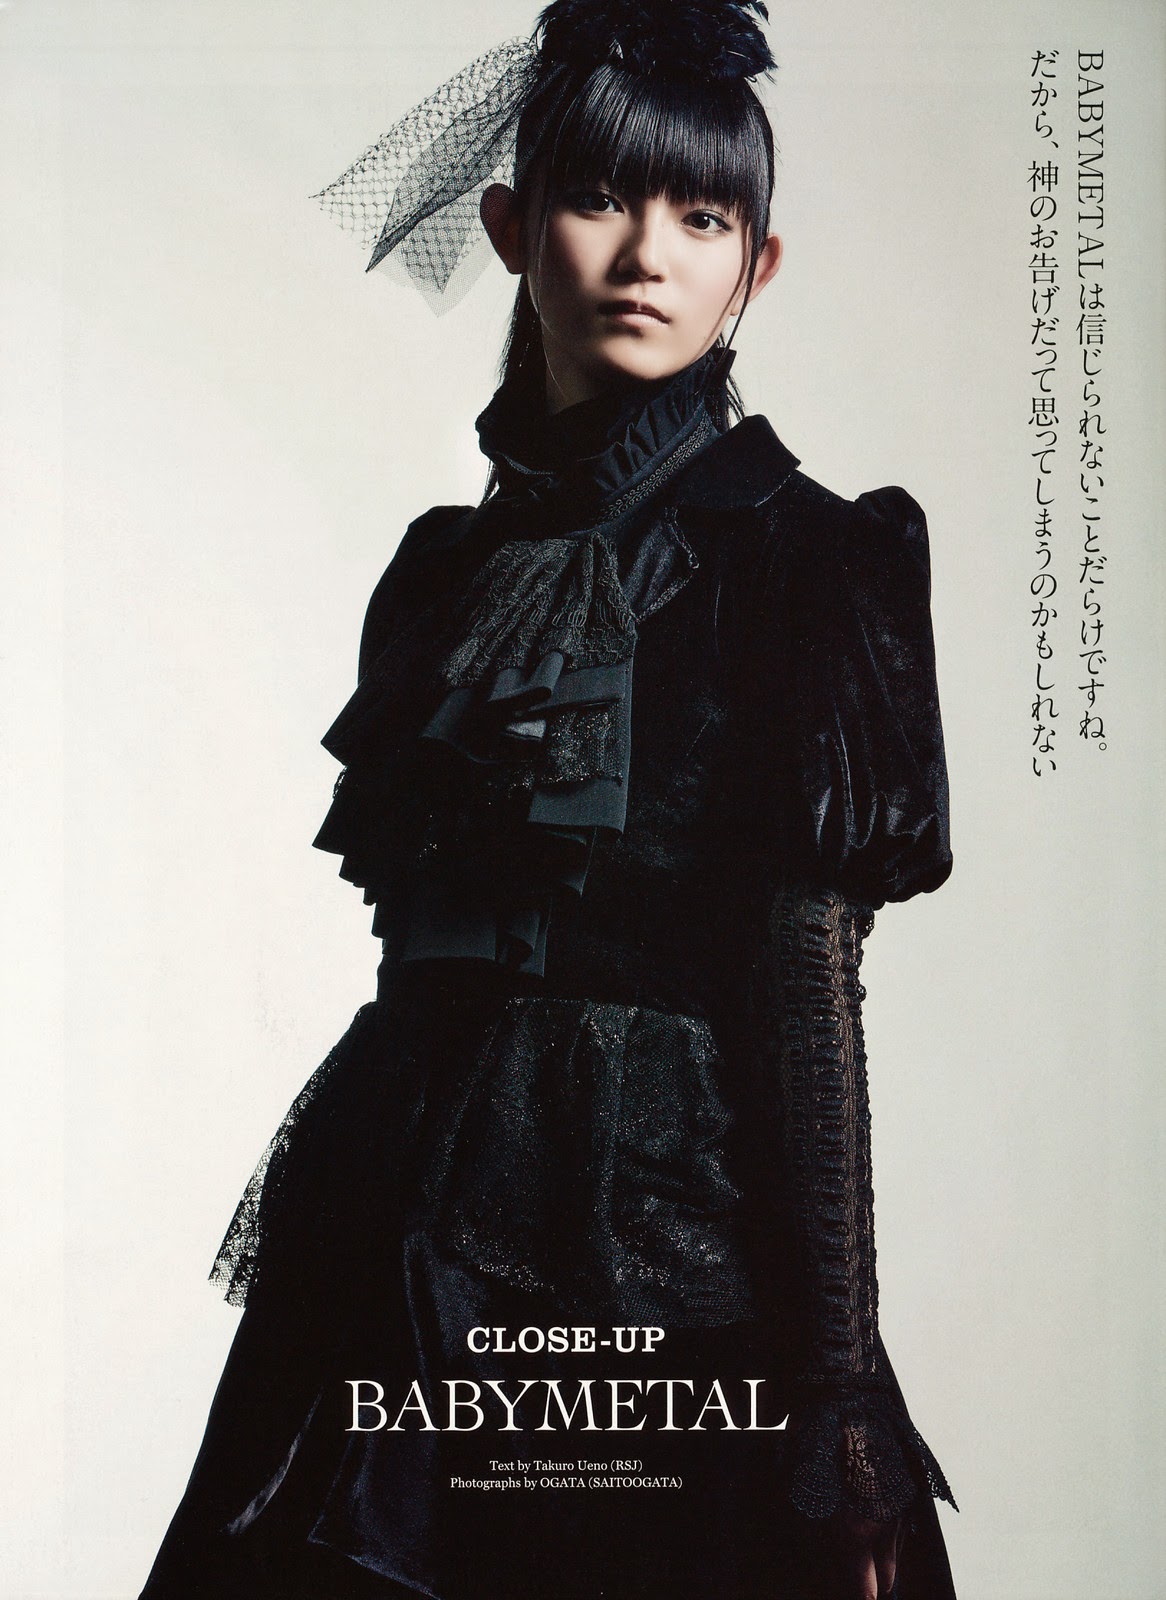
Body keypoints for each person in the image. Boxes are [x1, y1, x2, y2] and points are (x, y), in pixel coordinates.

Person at [140, 2, 958, 1596]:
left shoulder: (809, 561)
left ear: (756, 265)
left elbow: (806, 993)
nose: (646, 255)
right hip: (391, 1252)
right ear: (515, 231)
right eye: (598, 200)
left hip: (665, 1268)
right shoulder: (439, 574)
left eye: (701, 218)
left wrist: (836, 1386)